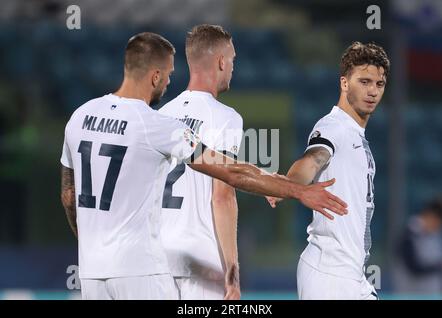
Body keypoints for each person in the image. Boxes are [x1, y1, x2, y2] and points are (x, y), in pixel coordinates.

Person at [60, 32, 348, 300]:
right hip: (148, 266)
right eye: (169, 75)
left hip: (92, 270)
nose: (169, 82)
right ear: (155, 75)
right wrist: (295, 190)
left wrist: (91, 243)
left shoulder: (80, 117)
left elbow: (69, 196)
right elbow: (229, 175)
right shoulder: (156, 124)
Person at [268, 41, 390, 299]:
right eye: (364, 82)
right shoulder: (334, 126)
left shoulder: (355, 133)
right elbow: (314, 159)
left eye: (379, 84)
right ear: (345, 83)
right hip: (329, 275)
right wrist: (288, 185)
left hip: (353, 275)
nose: (373, 91)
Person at [159, 24, 243, 300]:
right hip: (201, 262)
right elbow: (222, 197)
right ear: (221, 62)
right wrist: (233, 275)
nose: (232, 67)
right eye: (231, 60)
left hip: (157, 258)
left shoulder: (161, 115)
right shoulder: (225, 117)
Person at [392, 198, 442, 294]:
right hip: (410, 295)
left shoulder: (434, 237)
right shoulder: (408, 236)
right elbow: (414, 268)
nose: (438, 228)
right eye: (439, 223)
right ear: (431, 216)